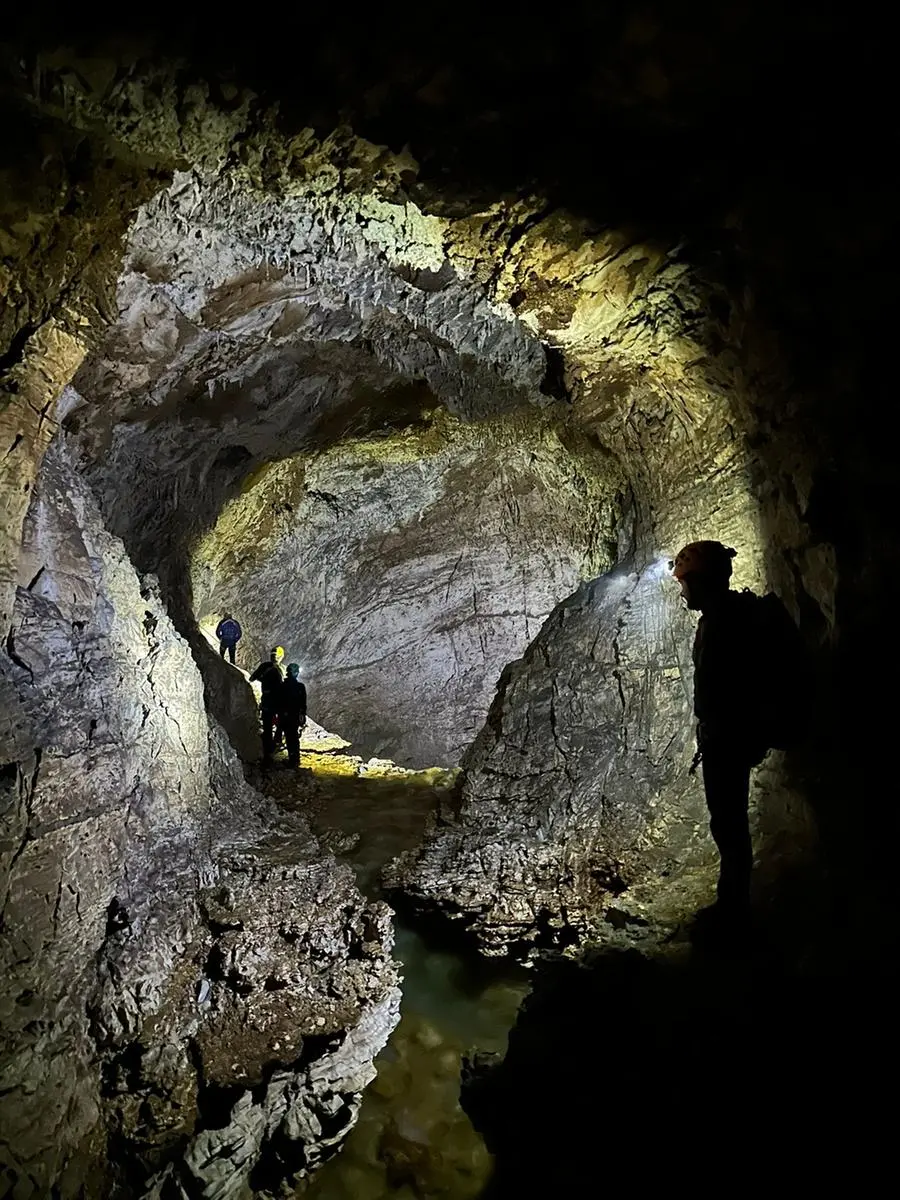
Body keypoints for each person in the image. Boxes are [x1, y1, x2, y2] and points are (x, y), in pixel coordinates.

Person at [672, 541, 772, 930]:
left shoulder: (724, 624)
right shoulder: (725, 617)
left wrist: (721, 731)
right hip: (730, 736)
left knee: (729, 826)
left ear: (703, 581)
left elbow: (728, 688)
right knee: (729, 824)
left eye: (685, 583)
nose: (682, 592)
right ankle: (732, 905)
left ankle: (733, 914)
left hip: (728, 739)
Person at [250, 646, 285, 761]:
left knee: (268, 726)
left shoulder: (264, 666)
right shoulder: (283, 669)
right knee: (282, 722)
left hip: (267, 700)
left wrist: (263, 679)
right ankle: (276, 742)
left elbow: (252, 678)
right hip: (279, 701)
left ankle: (267, 751)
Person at [279, 663, 308, 768]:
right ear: (296, 673)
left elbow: (279, 702)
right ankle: (295, 759)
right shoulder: (300, 687)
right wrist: (302, 715)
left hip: (285, 716)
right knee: (294, 738)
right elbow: (303, 703)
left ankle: (292, 759)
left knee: (288, 737)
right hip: (294, 716)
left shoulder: (282, 686)